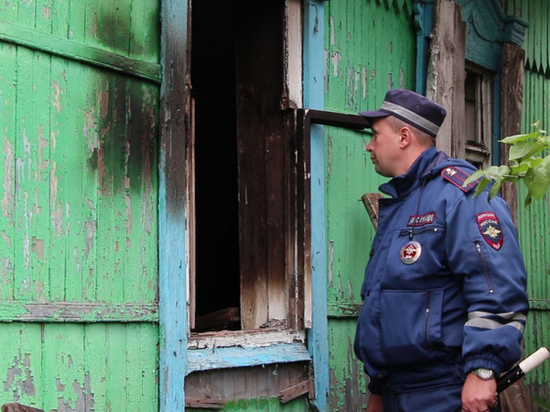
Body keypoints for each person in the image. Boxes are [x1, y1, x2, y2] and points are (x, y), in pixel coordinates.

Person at [354, 89, 529, 412]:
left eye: (375, 135)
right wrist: (378, 388)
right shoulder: (401, 204)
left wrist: (483, 368)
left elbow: (496, 285)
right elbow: (386, 299)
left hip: (445, 390)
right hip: (397, 390)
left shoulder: (461, 195)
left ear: (404, 137)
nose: (369, 145)